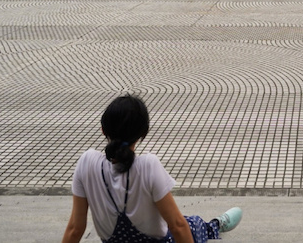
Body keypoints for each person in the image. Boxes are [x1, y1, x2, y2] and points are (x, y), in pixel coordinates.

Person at [62, 95, 242, 243]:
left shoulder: (87, 163)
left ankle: (214, 225)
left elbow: (75, 229)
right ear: (143, 134)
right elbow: (177, 227)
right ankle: (215, 225)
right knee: (191, 223)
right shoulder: (148, 166)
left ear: (103, 130)